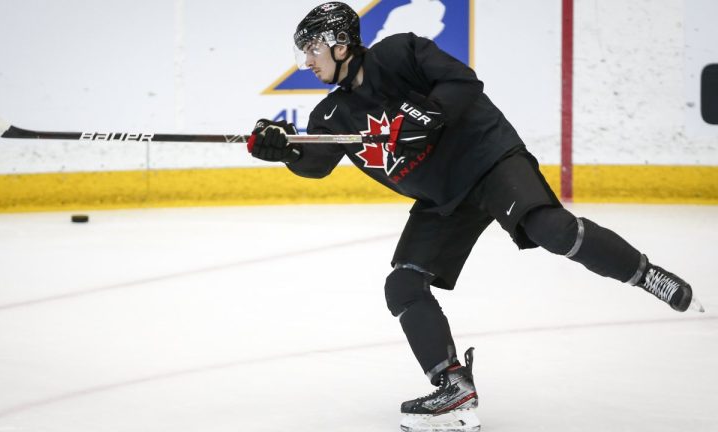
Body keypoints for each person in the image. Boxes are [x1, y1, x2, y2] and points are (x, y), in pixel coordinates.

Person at [246, 2, 704, 431]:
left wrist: (425, 113)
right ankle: (454, 389)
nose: (306, 60)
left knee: (550, 228)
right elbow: (315, 162)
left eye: (312, 48)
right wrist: (283, 147)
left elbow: (461, 82)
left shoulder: (400, 51)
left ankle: (645, 274)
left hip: (488, 160)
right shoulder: (333, 113)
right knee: (403, 284)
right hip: (443, 199)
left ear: (341, 45)